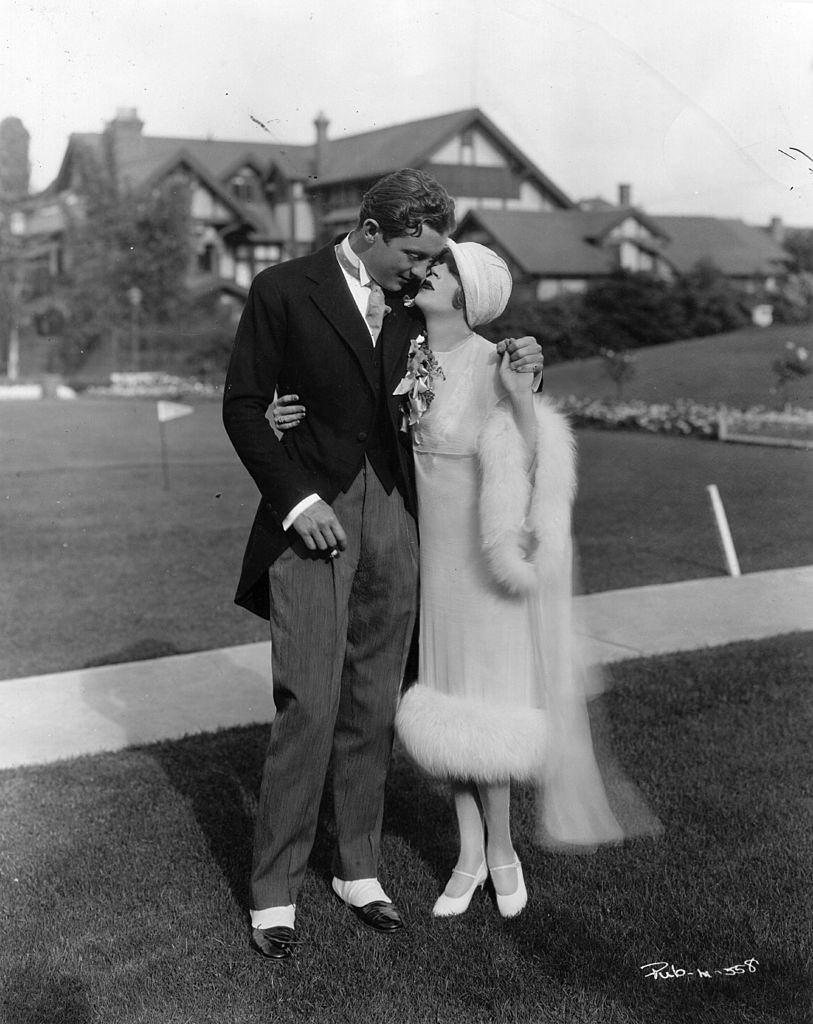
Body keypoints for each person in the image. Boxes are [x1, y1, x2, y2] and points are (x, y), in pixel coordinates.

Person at [222, 169, 543, 960]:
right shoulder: (282, 288)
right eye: (411, 250)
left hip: (397, 516)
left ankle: (356, 867)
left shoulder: (413, 302)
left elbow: (473, 364)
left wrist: (530, 357)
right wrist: (297, 498)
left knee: (373, 700)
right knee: (311, 697)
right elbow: (241, 404)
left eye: (430, 255)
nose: (419, 267)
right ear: (368, 228)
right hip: (313, 519)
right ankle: (274, 891)